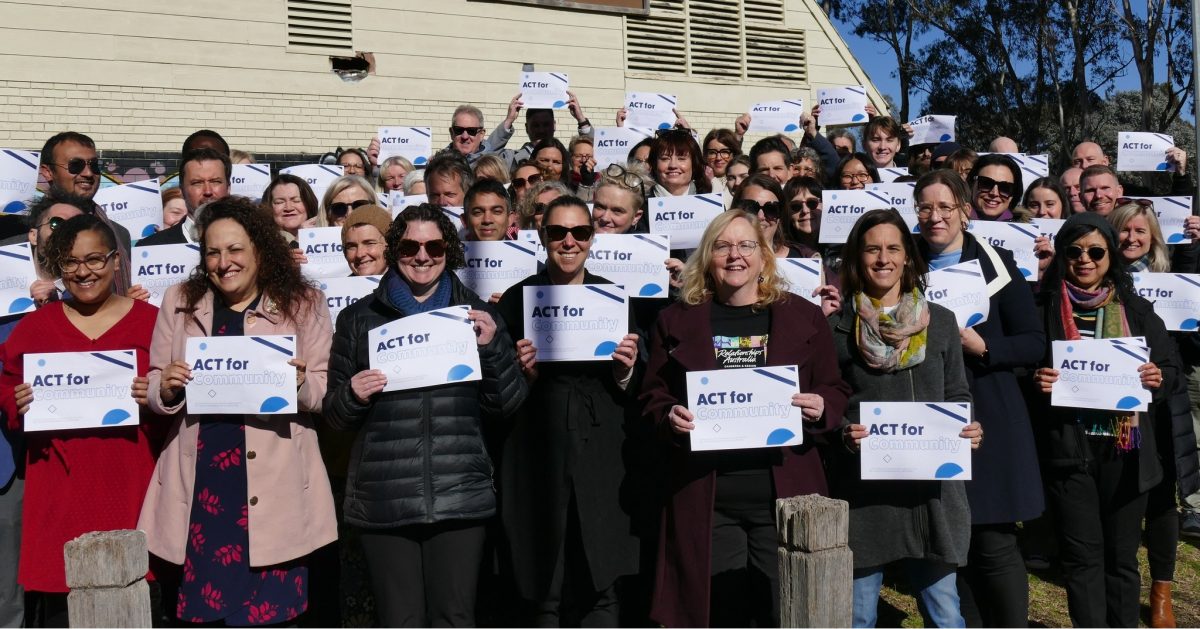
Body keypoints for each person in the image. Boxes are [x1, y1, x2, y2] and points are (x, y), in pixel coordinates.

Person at [638, 209, 850, 626]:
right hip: (710, 499)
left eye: (746, 245)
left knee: (785, 610)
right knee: (724, 614)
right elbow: (652, 396)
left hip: (786, 496)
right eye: (723, 246)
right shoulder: (675, 320)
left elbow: (835, 388)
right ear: (708, 256)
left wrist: (822, 406)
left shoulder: (804, 316)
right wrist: (669, 416)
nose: (735, 256)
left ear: (764, 256)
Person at [324, 203, 526, 627]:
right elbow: (335, 417)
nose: (422, 255)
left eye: (434, 245)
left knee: (454, 617)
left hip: (458, 494)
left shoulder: (479, 317)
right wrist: (352, 394)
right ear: (394, 249)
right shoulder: (358, 319)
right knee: (400, 619)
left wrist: (492, 350)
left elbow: (505, 406)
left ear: (448, 250)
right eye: (410, 246)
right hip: (385, 498)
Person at [139, 196, 337, 626]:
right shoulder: (179, 300)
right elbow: (154, 385)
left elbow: (323, 393)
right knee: (203, 615)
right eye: (212, 252)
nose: (223, 262)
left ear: (260, 251)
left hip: (275, 486)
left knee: (269, 617)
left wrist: (301, 383)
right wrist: (167, 386)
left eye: (234, 250)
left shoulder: (304, 303)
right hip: (204, 485)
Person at [0, 215, 159, 626]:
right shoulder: (34, 329)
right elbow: (7, 386)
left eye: (94, 259)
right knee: (61, 613)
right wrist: (15, 401)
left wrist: (158, 395)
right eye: (70, 263)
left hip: (132, 487)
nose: (83, 271)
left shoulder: (153, 322)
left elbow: (176, 396)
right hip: (59, 495)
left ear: (116, 261)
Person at [830, 208, 982, 628]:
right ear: (858, 258)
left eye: (893, 248)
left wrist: (968, 429)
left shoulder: (943, 323)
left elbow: (957, 394)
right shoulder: (838, 328)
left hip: (931, 497)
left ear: (908, 257)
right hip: (866, 499)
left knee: (944, 612)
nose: (883, 258)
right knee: (857, 616)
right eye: (872, 249)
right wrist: (845, 431)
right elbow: (829, 406)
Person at [495, 196, 642, 625]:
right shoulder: (518, 299)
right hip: (536, 452)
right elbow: (495, 394)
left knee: (601, 577)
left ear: (592, 239)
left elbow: (637, 385)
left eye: (579, 232)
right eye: (558, 232)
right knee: (545, 581)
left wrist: (624, 371)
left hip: (601, 452)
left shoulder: (612, 298)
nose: (569, 241)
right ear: (543, 238)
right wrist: (523, 375)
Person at [913, 170, 1045, 627]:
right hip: (929, 414)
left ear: (964, 211)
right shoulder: (905, 262)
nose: (935, 217)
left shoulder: (999, 263)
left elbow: (1033, 340)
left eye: (946, 207)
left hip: (989, 408)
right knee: (950, 546)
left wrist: (985, 348)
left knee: (993, 540)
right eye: (926, 207)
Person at [1030, 211, 1174, 627]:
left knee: (1122, 557)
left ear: (1111, 255)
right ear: (1062, 255)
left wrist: (1156, 378)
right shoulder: (1042, 306)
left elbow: (1171, 370)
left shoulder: (1137, 310)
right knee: (1082, 558)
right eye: (1074, 251)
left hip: (1125, 450)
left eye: (1096, 251)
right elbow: (1022, 369)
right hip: (1067, 449)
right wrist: (1037, 379)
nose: (1085, 260)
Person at [138, 148, 231, 246]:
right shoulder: (151, 246)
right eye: (197, 183)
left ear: (228, 188)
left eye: (215, 181)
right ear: (182, 190)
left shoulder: (248, 241)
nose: (208, 191)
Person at [649, 129, 711, 196]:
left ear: (694, 164)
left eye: (681, 159)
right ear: (654, 165)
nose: (673, 165)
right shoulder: (640, 204)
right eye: (665, 159)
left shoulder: (713, 203)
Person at [967, 154, 1026, 222]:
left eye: (1005, 187)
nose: (994, 193)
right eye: (986, 183)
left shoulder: (1029, 230)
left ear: (1013, 195)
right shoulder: (954, 225)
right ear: (972, 185)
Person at [263, 173, 319, 241]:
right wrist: (299, 240)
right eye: (279, 202)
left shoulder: (327, 236)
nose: (289, 208)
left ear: (309, 203)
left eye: (296, 201)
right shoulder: (259, 243)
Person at [340, 204, 391, 277]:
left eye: (369, 243)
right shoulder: (338, 288)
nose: (359, 254)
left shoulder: (410, 286)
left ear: (389, 246)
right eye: (352, 246)